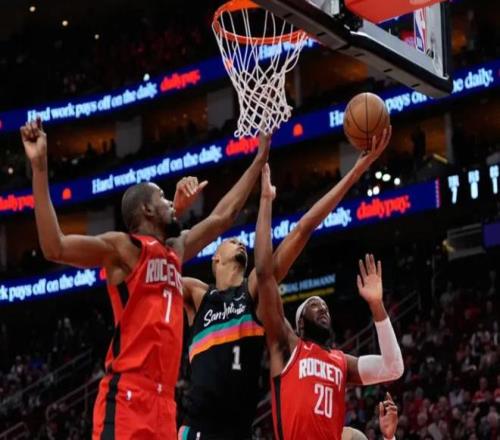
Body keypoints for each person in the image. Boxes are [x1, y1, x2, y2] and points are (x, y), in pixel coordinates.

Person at [20, 118, 270, 440]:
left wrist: (259, 159)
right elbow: (54, 247)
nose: (171, 202)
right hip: (126, 396)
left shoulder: (175, 250)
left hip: (164, 405)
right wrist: (40, 168)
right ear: (147, 211)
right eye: (163, 198)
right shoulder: (124, 249)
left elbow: (223, 217)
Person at [179, 129, 392, 439]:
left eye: (242, 241)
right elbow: (155, 264)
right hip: (197, 428)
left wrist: (356, 171)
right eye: (231, 240)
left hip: (238, 432)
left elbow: (303, 229)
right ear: (215, 259)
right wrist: (176, 212)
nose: (240, 241)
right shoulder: (196, 294)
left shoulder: (253, 290)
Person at [254, 164, 404, 440]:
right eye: (314, 306)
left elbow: (393, 367)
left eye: (324, 306)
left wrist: (376, 306)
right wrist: (265, 202)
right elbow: (264, 275)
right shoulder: (288, 346)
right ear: (300, 323)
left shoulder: (340, 362)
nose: (323, 308)